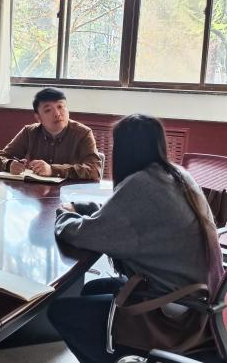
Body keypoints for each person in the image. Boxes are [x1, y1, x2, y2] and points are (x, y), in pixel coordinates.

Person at [47, 114, 223, 363]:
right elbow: (126, 218)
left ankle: (122, 354)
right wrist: (87, 209)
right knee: (92, 289)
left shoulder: (141, 185)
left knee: (60, 312)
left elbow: (81, 235)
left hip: (175, 316)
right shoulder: (176, 175)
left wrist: (63, 215)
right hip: (200, 303)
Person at [0, 87, 101, 180]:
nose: (57, 114)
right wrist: (9, 165)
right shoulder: (29, 132)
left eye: (60, 107)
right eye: (48, 110)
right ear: (38, 118)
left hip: (69, 194)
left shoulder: (83, 133)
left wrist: (53, 170)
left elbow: (95, 170)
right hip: (34, 193)